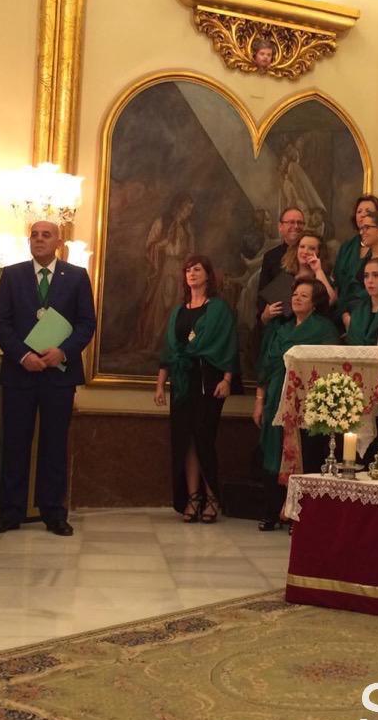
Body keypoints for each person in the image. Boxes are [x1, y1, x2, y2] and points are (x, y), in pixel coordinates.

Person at [0, 221, 97, 536]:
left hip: (58, 375)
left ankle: (54, 513)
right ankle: (10, 512)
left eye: (46, 235)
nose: (38, 240)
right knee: (14, 444)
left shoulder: (76, 276)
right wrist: (23, 356)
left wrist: (63, 352)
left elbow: (86, 323)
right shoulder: (12, 275)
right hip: (20, 372)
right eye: (34, 235)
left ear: (58, 242)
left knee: (54, 445)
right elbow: (0, 321)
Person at [154, 255, 239, 524]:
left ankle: (212, 497)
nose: (191, 273)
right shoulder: (179, 310)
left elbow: (229, 345)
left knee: (204, 438)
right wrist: (160, 385)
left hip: (209, 382)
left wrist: (227, 380)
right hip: (181, 383)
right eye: (188, 270)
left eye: (197, 269)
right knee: (186, 440)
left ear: (208, 275)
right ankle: (193, 497)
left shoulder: (219, 309)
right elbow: (169, 350)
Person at [254, 278, 339, 531]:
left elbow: (330, 366)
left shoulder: (324, 329)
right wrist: (259, 400)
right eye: (295, 294)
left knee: (304, 454)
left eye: (304, 295)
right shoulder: (282, 328)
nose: (297, 298)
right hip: (276, 398)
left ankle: (298, 514)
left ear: (315, 302)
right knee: (273, 452)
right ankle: (271, 510)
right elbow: (266, 366)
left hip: (306, 402)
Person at [134, 192, 195, 351]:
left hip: (180, 268)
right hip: (165, 267)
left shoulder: (187, 228)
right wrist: (163, 244)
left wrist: (187, 258)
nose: (189, 213)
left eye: (190, 210)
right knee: (162, 302)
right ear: (179, 207)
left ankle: (169, 342)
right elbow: (150, 246)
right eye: (187, 209)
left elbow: (191, 249)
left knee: (177, 303)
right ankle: (153, 341)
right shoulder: (162, 222)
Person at [261, 230, 336, 325]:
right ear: (296, 249)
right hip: (281, 331)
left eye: (312, 248)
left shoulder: (322, 277)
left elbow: (330, 300)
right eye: (302, 247)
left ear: (319, 253)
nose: (305, 251)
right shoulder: (285, 279)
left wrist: (318, 270)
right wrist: (267, 315)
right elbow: (264, 319)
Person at [331, 195, 378, 320]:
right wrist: (344, 313)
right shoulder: (347, 247)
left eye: (368, 211)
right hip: (342, 310)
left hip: (370, 312)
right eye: (359, 211)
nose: (362, 215)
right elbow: (337, 281)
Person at [258, 206, 305, 307]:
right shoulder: (270, 257)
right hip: (279, 313)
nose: (296, 226)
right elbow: (262, 296)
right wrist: (265, 313)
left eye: (300, 222)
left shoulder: (313, 252)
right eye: (291, 222)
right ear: (280, 227)